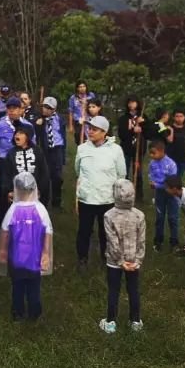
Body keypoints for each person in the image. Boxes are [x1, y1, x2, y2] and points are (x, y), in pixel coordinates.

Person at [0, 172, 54, 321]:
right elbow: (48, 232)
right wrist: (46, 253)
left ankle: (17, 312)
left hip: (16, 259)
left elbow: (5, 232)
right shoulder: (41, 209)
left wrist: (2, 251)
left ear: (16, 189)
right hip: (35, 259)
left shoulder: (13, 210)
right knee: (34, 287)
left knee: (18, 286)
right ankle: (35, 313)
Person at [74, 115, 127, 269]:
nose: (90, 132)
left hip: (107, 199)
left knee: (106, 232)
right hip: (87, 198)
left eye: (95, 129)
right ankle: (82, 258)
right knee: (84, 231)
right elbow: (77, 170)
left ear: (104, 132)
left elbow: (121, 174)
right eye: (89, 128)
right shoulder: (82, 148)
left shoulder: (115, 150)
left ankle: (106, 257)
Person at [99, 179, 146, 334]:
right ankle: (135, 321)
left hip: (114, 262)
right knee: (133, 290)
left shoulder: (108, 216)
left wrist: (120, 261)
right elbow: (141, 240)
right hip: (133, 261)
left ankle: (110, 322)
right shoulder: (139, 215)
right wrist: (138, 260)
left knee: (114, 290)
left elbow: (112, 241)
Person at [0, 123, 48, 222]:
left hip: (35, 194)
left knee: (35, 219)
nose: (17, 135)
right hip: (17, 195)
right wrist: (8, 191)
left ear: (28, 136)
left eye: (21, 133)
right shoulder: (11, 153)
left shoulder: (37, 151)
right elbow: (6, 174)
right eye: (16, 133)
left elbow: (44, 172)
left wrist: (41, 190)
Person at [35, 96, 66, 209]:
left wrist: (63, 152)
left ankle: (56, 201)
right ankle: (43, 201)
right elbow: (36, 135)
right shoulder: (39, 119)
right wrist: (38, 125)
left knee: (57, 177)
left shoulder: (60, 119)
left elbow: (62, 134)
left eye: (49, 108)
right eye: (44, 107)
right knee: (45, 176)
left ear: (54, 109)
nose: (46, 110)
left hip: (57, 148)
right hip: (45, 149)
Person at [147, 140, 179, 253]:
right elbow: (151, 176)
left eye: (153, 153)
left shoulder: (171, 164)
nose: (151, 155)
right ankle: (158, 241)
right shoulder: (152, 164)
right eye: (150, 153)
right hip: (159, 194)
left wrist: (157, 185)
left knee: (172, 218)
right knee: (159, 218)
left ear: (162, 151)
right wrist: (152, 183)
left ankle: (174, 242)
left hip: (171, 194)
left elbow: (172, 183)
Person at [0, 97, 35, 168]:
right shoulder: (0, 126)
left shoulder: (28, 126)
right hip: (4, 162)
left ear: (20, 110)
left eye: (14, 108)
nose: (11, 110)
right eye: (9, 108)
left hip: (22, 163)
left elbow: (33, 146)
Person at [117, 96, 147, 197]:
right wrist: (132, 131)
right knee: (124, 171)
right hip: (126, 149)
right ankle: (124, 194)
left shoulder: (143, 116)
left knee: (138, 172)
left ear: (137, 103)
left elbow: (148, 132)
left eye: (133, 102)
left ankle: (138, 195)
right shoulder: (123, 118)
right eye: (129, 102)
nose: (131, 104)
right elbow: (121, 134)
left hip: (139, 148)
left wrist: (143, 124)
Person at [68, 81, 95, 145]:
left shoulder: (91, 95)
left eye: (84, 86)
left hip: (89, 120)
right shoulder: (73, 98)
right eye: (80, 87)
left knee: (91, 136)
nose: (82, 88)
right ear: (77, 88)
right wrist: (70, 125)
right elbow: (71, 111)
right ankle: (80, 147)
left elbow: (95, 106)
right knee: (78, 136)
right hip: (78, 120)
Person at [165, 109, 185, 177]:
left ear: (184, 117)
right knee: (171, 178)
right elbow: (169, 140)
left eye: (181, 116)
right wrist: (172, 130)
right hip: (171, 157)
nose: (179, 118)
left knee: (179, 178)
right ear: (173, 117)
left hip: (182, 158)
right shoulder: (169, 128)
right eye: (177, 116)